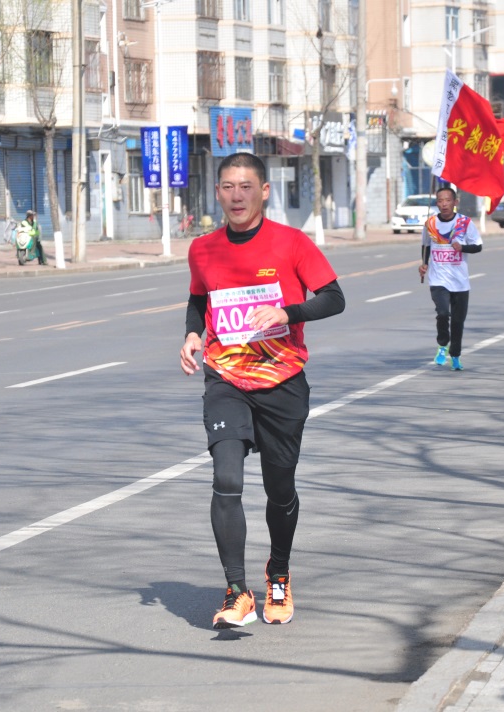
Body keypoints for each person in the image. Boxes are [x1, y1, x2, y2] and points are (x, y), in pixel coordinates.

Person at [180, 152, 345, 629]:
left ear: (264, 191)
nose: (237, 196)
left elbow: (334, 298)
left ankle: (279, 572)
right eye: (228, 187)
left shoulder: (291, 243)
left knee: (280, 488)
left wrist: (286, 313)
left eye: (246, 186)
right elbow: (199, 299)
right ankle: (237, 590)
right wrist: (193, 334)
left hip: (282, 381)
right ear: (218, 192)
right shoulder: (203, 249)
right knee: (226, 477)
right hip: (226, 377)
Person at [418, 186, 484, 371]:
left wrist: (462, 248)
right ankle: (442, 345)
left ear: (455, 202)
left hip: (460, 281)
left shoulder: (464, 222)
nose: (444, 204)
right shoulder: (430, 223)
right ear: (436, 203)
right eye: (440, 201)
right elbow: (426, 245)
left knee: (457, 321)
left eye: (448, 200)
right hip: (438, 279)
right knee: (442, 313)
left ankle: (455, 355)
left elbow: (478, 246)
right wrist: (424, 264)